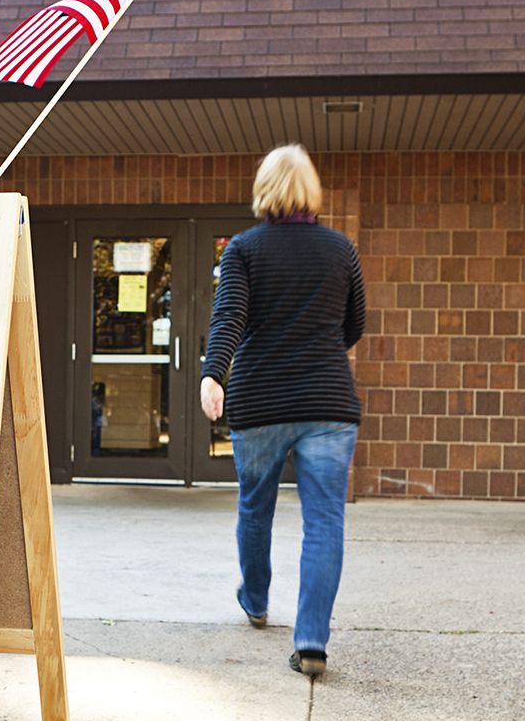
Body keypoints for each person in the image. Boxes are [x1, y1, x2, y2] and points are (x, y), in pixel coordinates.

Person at [200, 144, 365, 678]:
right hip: (328, 402)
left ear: (264, 188)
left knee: (256, 507)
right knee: (325, 522)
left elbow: (229, 318)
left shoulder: (244, 249)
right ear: (311, 189)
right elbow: (354, 327)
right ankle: (312, 641)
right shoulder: (341, 250)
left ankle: (255, 599)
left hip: (261, 399)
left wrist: (213, 373)